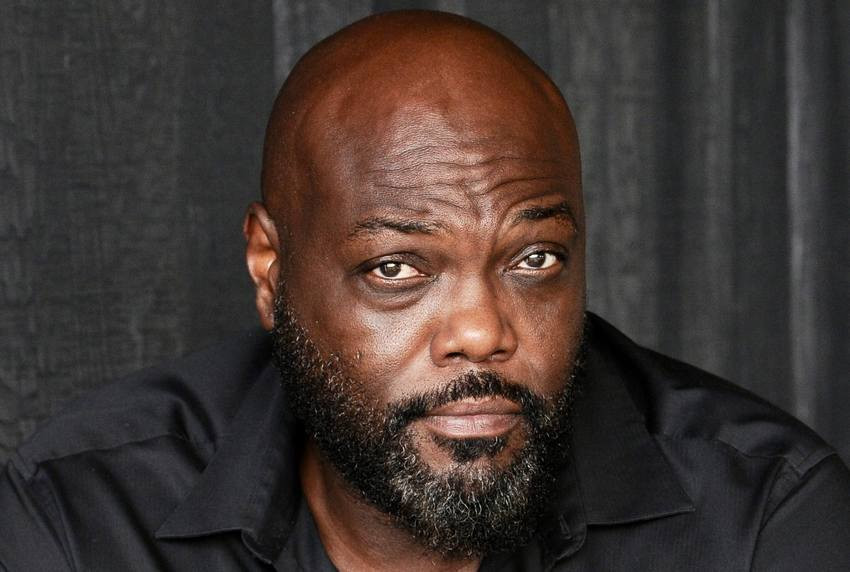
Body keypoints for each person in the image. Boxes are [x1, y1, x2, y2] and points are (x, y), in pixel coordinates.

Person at [1, 10, 849, 572]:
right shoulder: (81, 519)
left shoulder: (760, 520)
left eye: (535, 258)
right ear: (270, 268)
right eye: (396, 268)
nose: (482, 332)